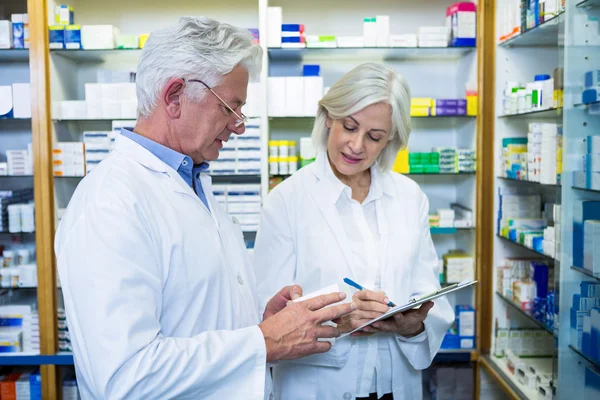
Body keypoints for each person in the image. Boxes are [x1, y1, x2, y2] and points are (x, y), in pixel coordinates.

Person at [54, 17, 355, 400]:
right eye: (230, 107)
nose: (239, 126)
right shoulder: (109, 201)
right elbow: (125, 378)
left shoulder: (193, 183)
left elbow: (194, 320)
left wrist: (261, 323)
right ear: (175, 95)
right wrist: (263, 341)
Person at [253, 63, 455, 400]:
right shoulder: (287, 200)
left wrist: (411, 325)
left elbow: (428, 294)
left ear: (390, 139)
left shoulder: (409, 197)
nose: (356, 146)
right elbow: (268, 314)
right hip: (318, 387)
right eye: (350, 127)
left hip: (395, 384)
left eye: (374, 136)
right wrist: (342, 321)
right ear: (328, 117)